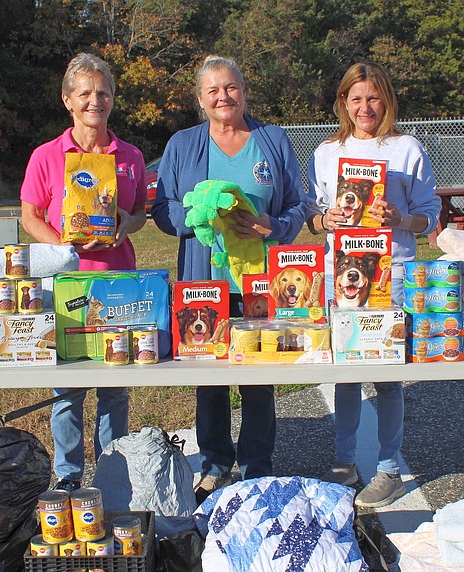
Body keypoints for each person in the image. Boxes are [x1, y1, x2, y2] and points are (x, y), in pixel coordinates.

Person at [152, 55, 310, 500]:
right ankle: (216, 462)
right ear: (200, 99)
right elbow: (162, 209)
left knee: (260, 373)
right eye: (213, 90)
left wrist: (270, 226)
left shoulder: (272, 140)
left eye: (232, 87)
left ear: (244, 90)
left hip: (260, 281)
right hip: (205, 280)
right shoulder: (182, 144)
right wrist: (202, 216)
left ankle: (259, 463)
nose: (224, 97)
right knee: (210, 375)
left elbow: (298, 205)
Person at [306, 61, 441, 508]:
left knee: (386, 378)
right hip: (338, 274)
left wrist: (400, 218)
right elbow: (315, 213)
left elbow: (429, 215)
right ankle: (344, 464)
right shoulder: (327, 152)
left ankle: (388, 469)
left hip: (390, 272)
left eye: (373, 97)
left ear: (387, 99)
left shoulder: (406, 149)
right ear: (343, 102)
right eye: (355, 97)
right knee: (344, 372)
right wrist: (326, 219)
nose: (365, 107)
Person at [20, 53, 147, 491]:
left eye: (104, 92)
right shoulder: (46, 156)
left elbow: (139, 213)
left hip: (117, 282)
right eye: (86, 92)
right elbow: (30, 214)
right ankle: (68, 478)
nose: (96, 100)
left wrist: (121, 228)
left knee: (115, 386)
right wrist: (61, 246)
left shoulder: (130, 155)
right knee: (68, 390)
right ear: (67, 100)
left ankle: (113, 475)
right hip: (67, 283)